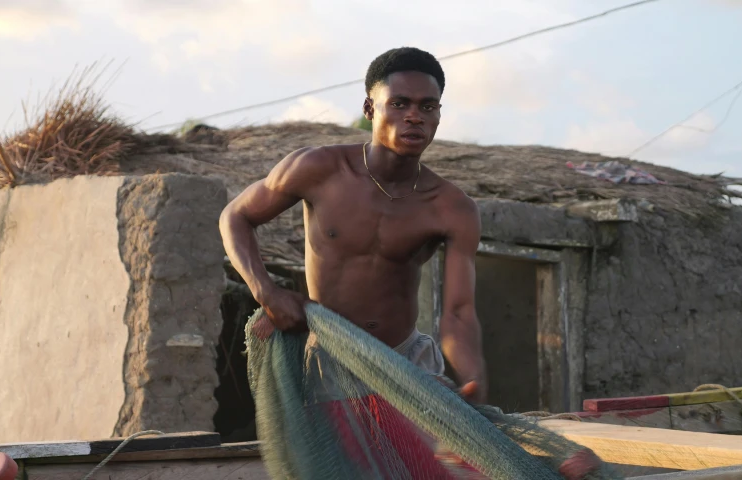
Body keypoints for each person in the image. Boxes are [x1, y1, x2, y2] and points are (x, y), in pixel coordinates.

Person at [220, 46, 600, 479]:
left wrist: (472, 377)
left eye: (427, 106)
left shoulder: (451, 207)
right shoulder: (319, 168)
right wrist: (265, 290)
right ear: (370, 108)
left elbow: (458, 312)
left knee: (440, 468)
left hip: (407, 365)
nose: (414, 116)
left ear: (439, 115)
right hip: (330, 361)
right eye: (399, 103)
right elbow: (236, 216)